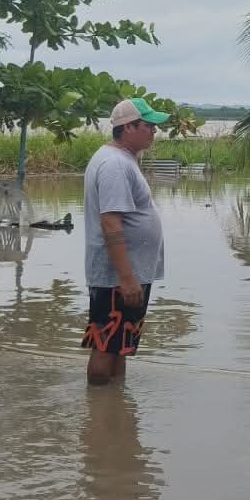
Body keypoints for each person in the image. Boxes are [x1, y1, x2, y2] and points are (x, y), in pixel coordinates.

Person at [81, 97, 169, 386]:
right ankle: (97, 413)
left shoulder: (123, 160)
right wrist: (127, 278)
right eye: (148, 126)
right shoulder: (114, 165)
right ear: (128, 127)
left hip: (127, 274)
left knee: (120, 346)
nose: (154, 131)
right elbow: (110, 222)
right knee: (106, 346)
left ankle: (113, 409)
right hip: (117, 278)